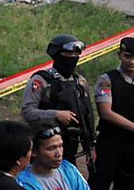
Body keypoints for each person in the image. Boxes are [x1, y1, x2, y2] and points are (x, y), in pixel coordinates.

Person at [22, 35, 94, 169]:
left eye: (76, 54)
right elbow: (27, 112)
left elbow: (87, 116)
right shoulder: (41, 80)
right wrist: (56, 115)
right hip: (44, 146)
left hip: (70, 147)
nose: (73, 57)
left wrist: (90, 146)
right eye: (68, 54)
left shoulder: (80, 82)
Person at [90, 37, 134, 190]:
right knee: (97, 188)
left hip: (131, 148)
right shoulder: (107, 79)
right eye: (127, 56)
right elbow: (106, 113)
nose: (131, 62)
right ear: (119, 55)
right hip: (109, 143)